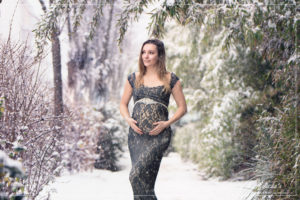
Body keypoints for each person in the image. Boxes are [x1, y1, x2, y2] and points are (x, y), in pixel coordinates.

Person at [119, 39, 187, 200]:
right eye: (144, 52)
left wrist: (167, 123)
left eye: (151, 52)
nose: (146, 56)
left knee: (136, 175)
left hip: (158, 136)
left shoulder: (170, 79)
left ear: (160, 55)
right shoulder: (134, 78)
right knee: (143, 182)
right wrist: (128, 119)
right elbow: (123, 104)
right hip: (136, 136)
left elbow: (183, 108)